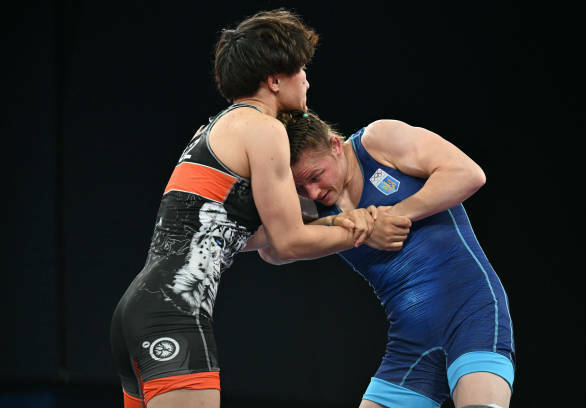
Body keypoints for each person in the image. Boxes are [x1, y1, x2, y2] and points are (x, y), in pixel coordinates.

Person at [109, 10, 403, 408]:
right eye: (301, 69)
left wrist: (336, 220)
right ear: (275, 80)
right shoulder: (264, 130)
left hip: (137, 311)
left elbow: (237, 236)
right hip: (173, 313)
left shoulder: (210, 130)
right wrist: (363, 230)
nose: (306, 80)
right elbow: (287, 243)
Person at [257, 110, 516, 408]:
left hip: (471, 313)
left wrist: (392, 215)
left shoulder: (377, 142)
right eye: (300, 187)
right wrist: (336, 223)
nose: (313, 192)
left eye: (316, 176)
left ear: (335, 145)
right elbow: (271, 249)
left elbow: (468, 174)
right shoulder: (313, 206)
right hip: (411, 341)